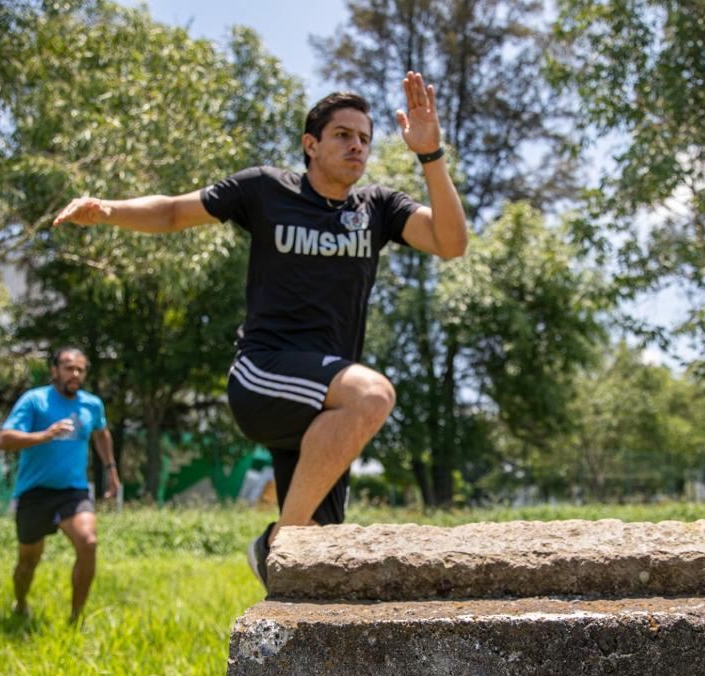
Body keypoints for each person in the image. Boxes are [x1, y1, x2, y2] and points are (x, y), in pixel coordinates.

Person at [52, 71, 468, 589]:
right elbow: (176, 212)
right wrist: (109, 209)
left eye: (364, 138)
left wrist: (431, 156)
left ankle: (283, 555)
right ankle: (282, 545)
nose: (356, 146)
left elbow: (451, 243)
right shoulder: (267, 190)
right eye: (343, 135)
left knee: (321, 558)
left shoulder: (378, 209)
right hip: (263, 375)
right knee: (373, 394)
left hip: (326, 404)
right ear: (310, 145)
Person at [0, 347, 120, 623]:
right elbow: (5, 439)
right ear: (55, 371)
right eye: (68, 367)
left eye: (80, 369)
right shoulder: (35, 400)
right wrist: (44, 435)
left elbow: (101, 434)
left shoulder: (92, 404)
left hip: (72, 491)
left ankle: (76, 619)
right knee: (28, 562)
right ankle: (20, 602)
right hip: (34, 492)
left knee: (88, 542)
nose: (74, 373)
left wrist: (111, 469)